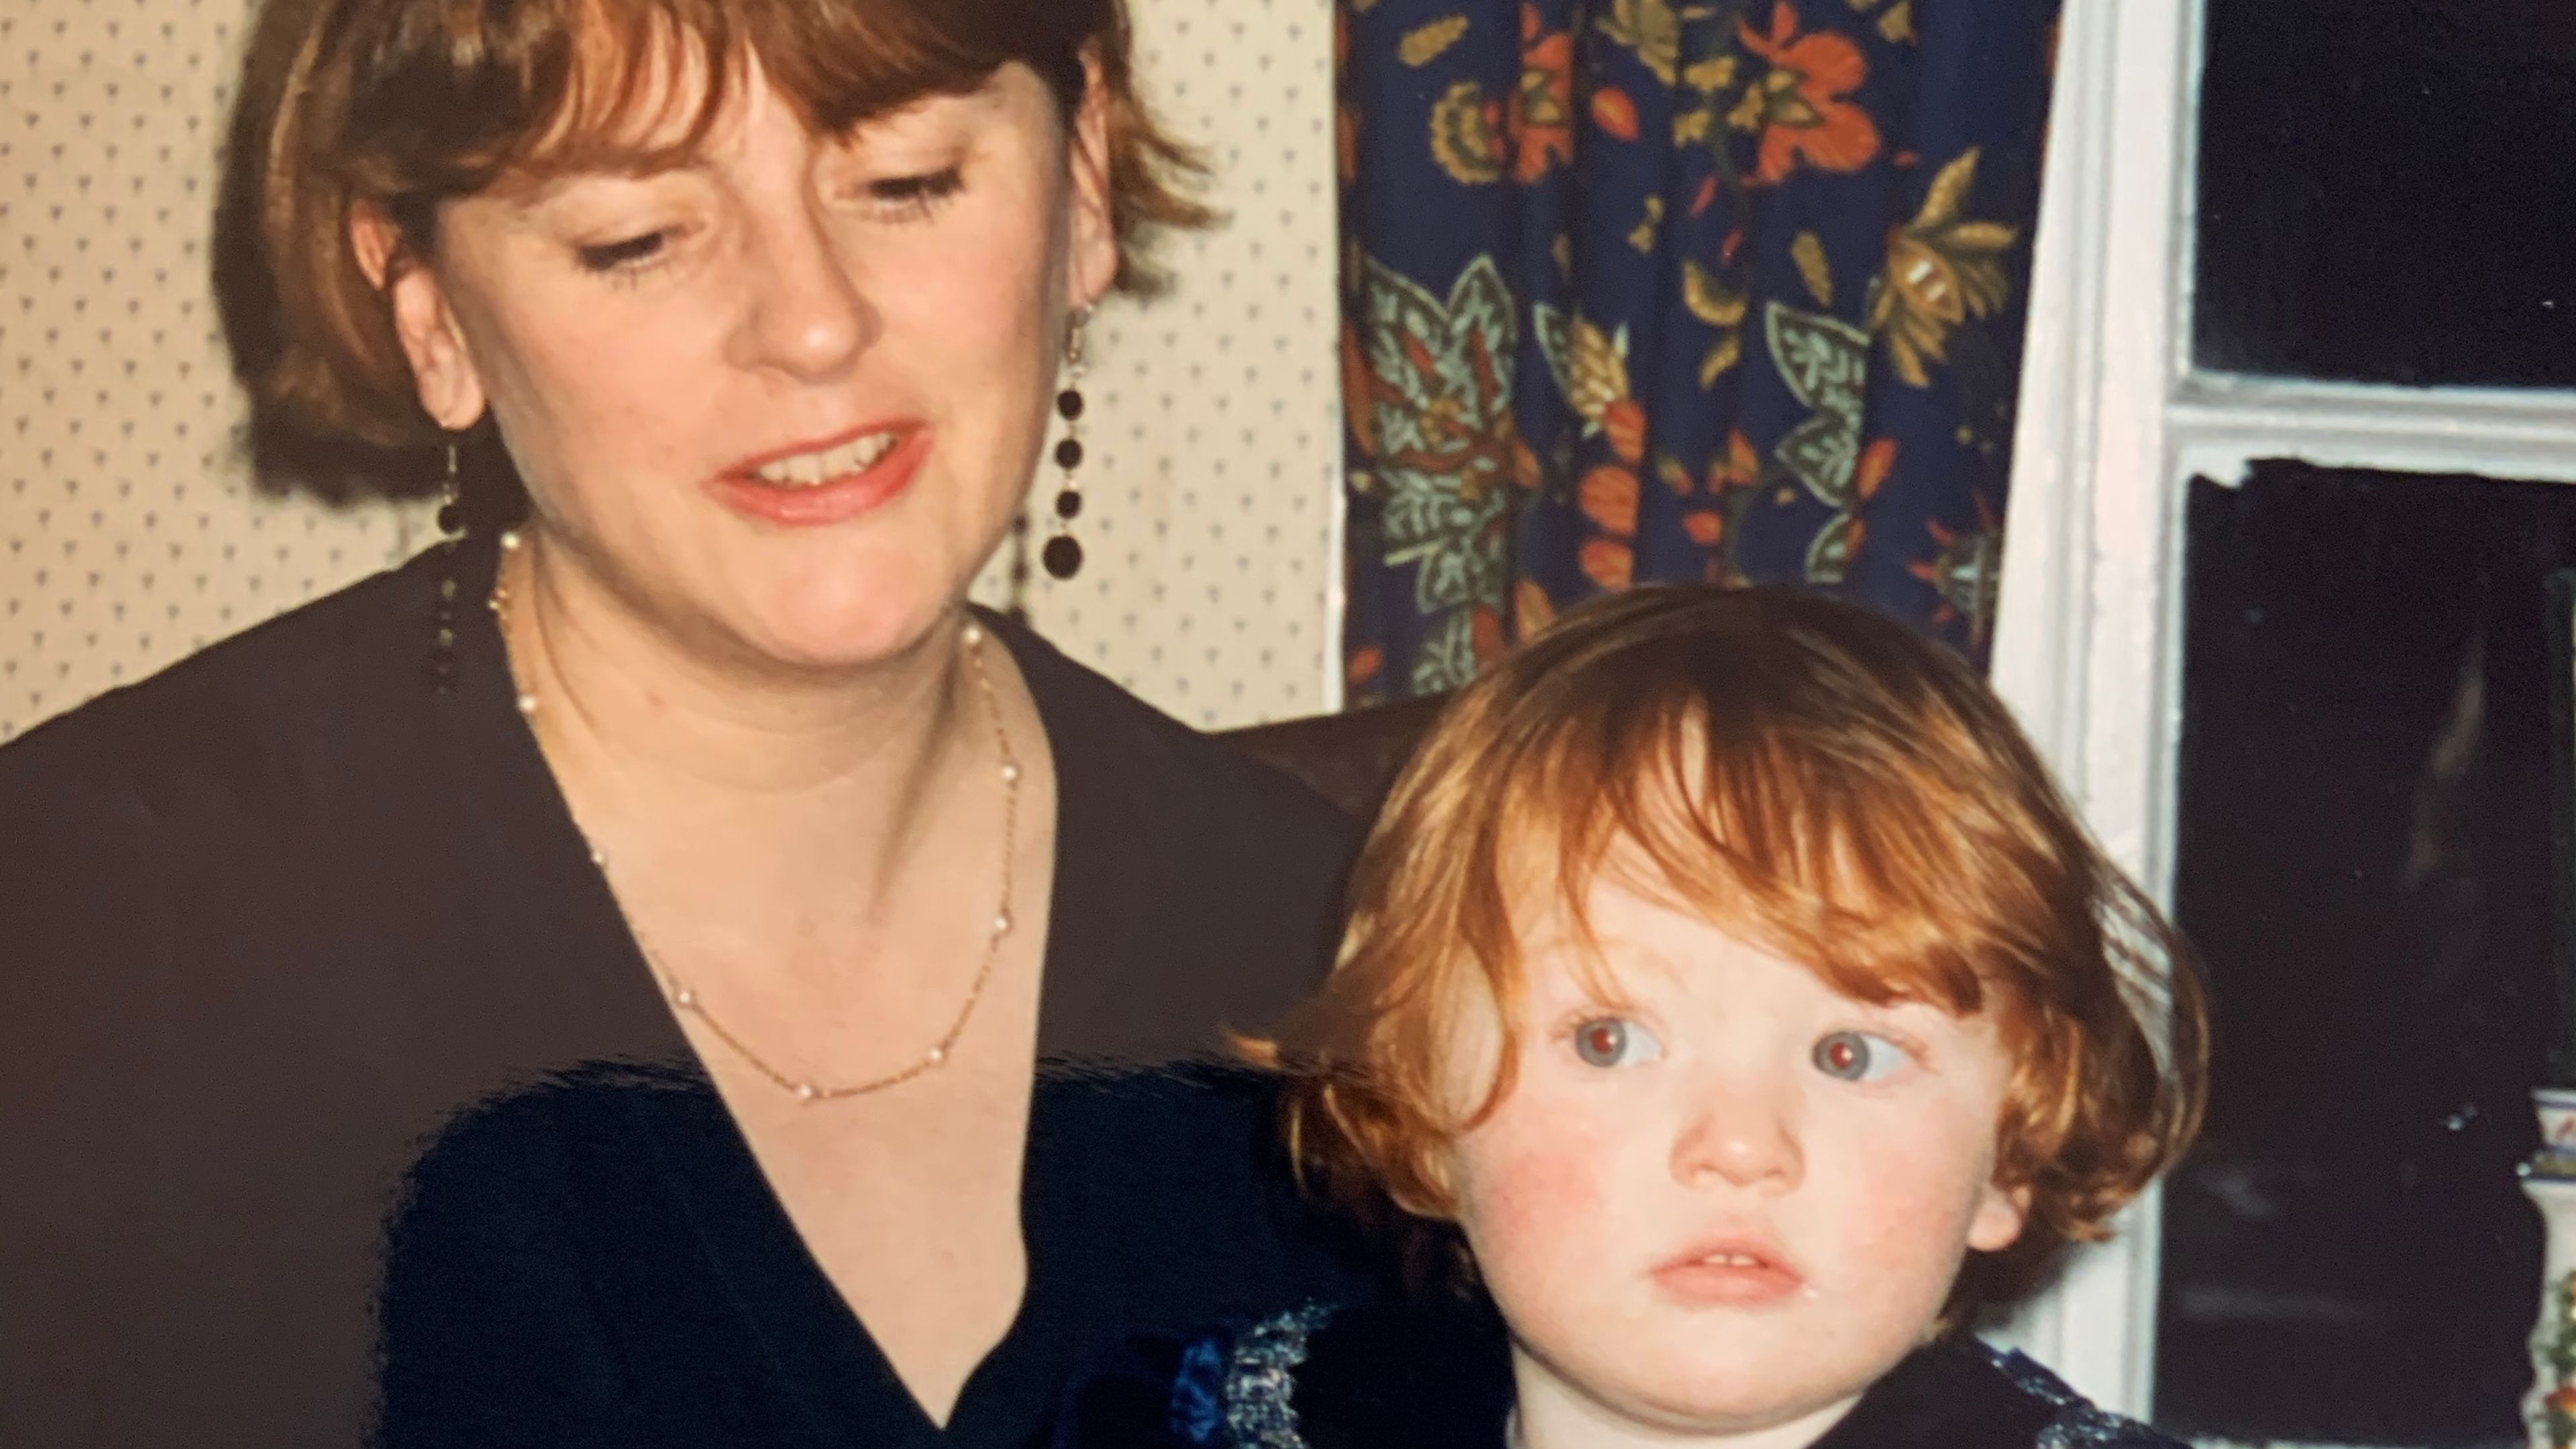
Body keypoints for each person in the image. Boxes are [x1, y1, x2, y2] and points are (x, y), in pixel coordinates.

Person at [0, 1, 1375, 1444]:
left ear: (1084, 177)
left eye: (905, 181)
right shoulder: (85, 939)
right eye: (636, 239)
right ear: (429, 309)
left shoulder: (1358, 952)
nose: (813, 321)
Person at [1055, 585, 2212, 1449]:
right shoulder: (1216, 1423)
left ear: (2010, 1152)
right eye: (1611, 1039)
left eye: (1850, 1053)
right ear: (1415, 1116)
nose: (1742, 1145)